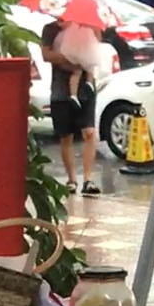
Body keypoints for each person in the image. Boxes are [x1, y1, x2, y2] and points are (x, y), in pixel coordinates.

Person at [41, 17, 101, 195]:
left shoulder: (86, 25)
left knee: (89, 132)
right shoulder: (50, 29)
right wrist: (68, 58)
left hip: (86, 88)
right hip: (61, 90)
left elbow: (95, 45)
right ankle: (72, 179)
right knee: (66, 136)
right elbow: (46, 55)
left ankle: (88, 179)